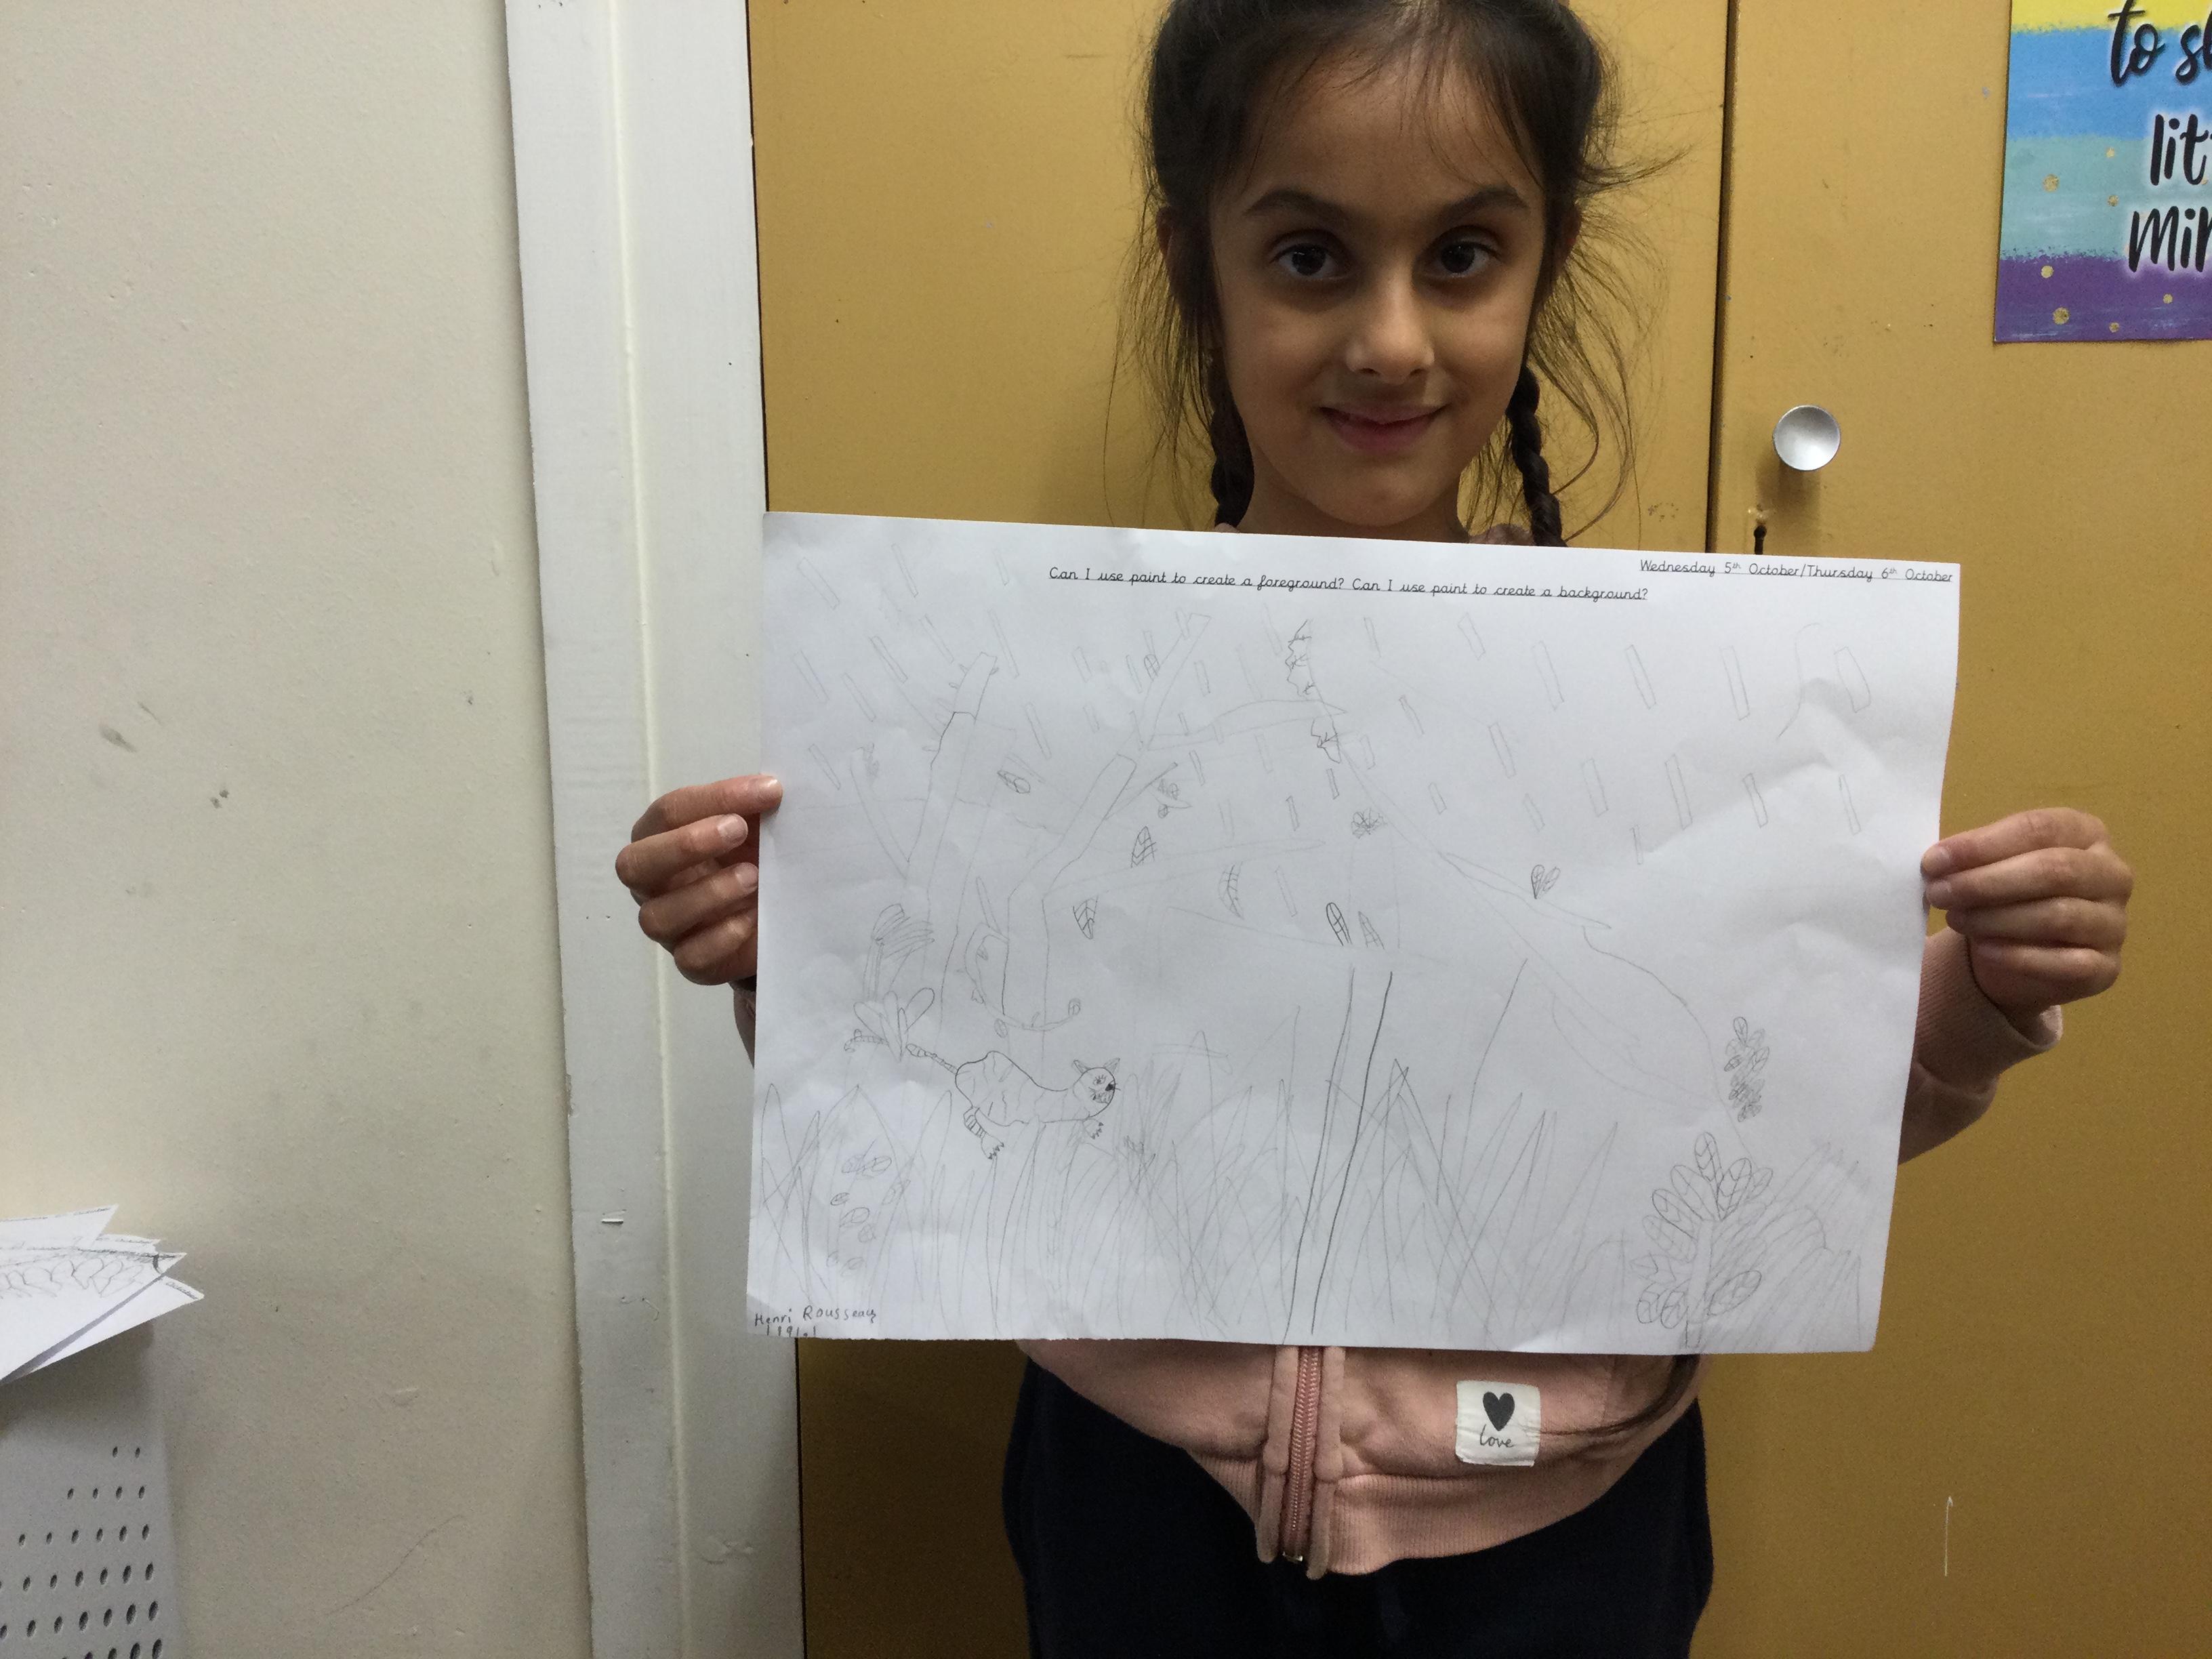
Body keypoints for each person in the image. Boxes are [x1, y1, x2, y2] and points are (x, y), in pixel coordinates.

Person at [613, 1, 2135, 1651]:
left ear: (1545, 266)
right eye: (1312, 258)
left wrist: (1983, 992)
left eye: (1463, 256)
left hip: (1561, 1516)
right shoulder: (1053, 708)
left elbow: (1767, 1130)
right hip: (1143, 1495)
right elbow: (967, 1087)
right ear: (1199, 270)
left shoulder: (1675, 724)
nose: (1394, 341)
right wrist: (796, 949)